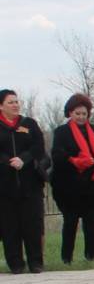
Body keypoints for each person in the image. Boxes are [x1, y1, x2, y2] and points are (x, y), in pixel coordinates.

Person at [48, 93, 94, 265]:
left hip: (92, 187)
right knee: (70, 222)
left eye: (84, 114)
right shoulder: (62, 132)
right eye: (77, 113)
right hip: (70, 188)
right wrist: (76, 161)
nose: (81, 117)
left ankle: (91, 258)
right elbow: (58, 155)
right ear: (70, 113)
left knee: (91, 223)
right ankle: (66, 259)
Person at [0, 89, 49, 274]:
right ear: (1, 106)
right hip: (5, 187)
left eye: (16, 101)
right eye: (10, 102)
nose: (15, 105)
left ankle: (36, 262)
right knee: (10, 227)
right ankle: (16, 264)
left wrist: (24, 159)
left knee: (32, 225)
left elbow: (38, 146)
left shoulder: (29, 124)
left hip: (30, 185)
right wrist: (7, 162)